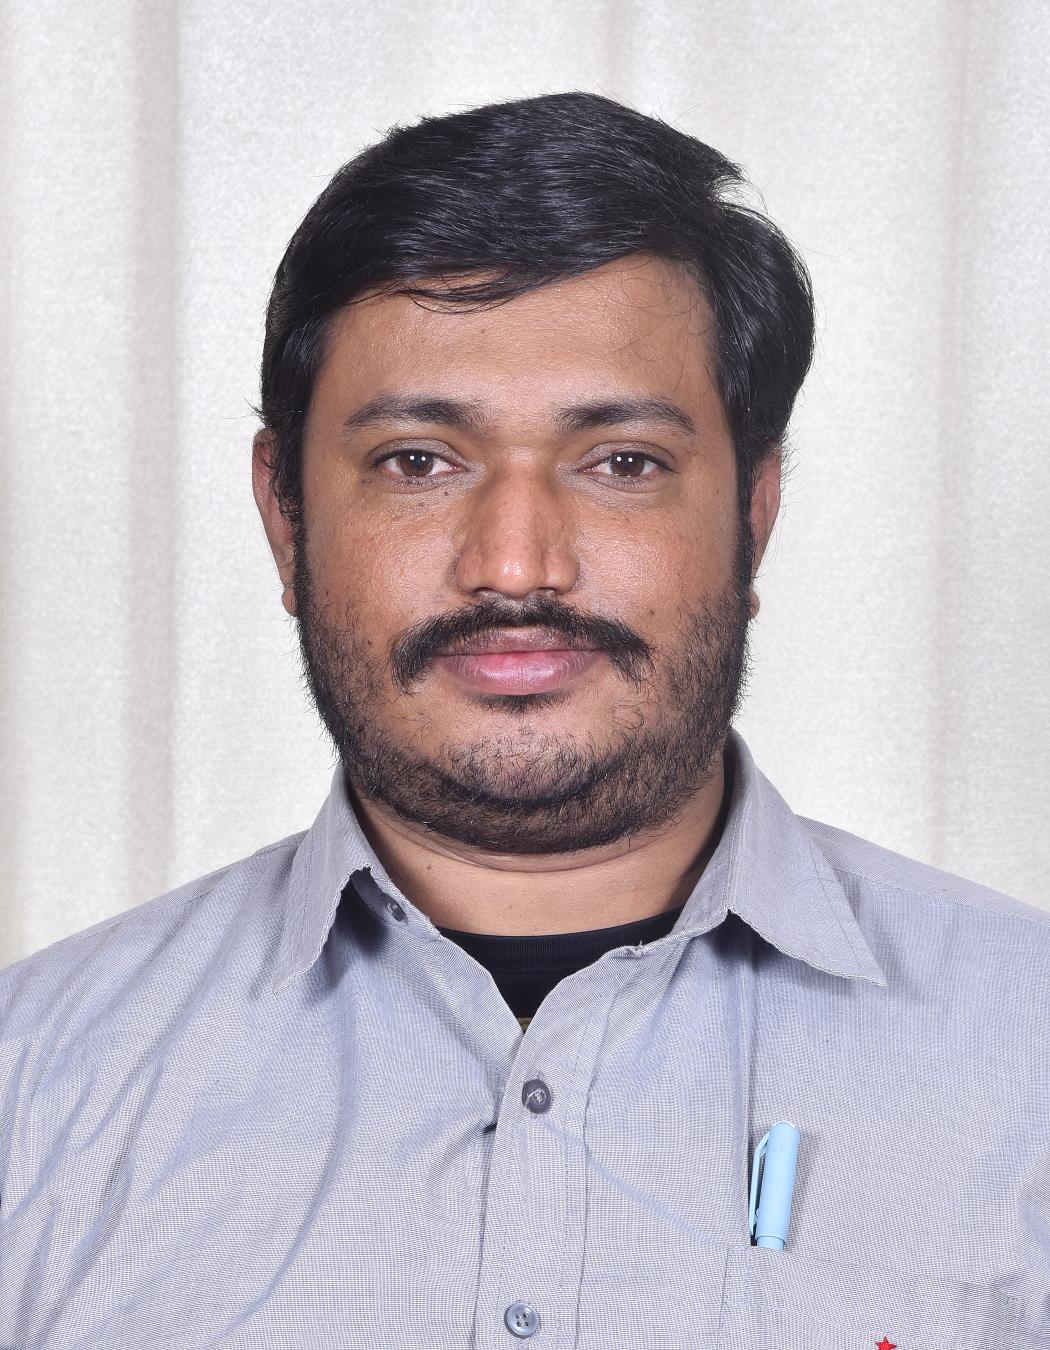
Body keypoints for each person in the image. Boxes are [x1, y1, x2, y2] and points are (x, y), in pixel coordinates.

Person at [0, 90, 1046, 1349]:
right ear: (285, 517)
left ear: (754, 514)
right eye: (418, 461)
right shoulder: (32, 1085)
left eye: (622, 462)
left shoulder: (1030, 1055)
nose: (514, 564)